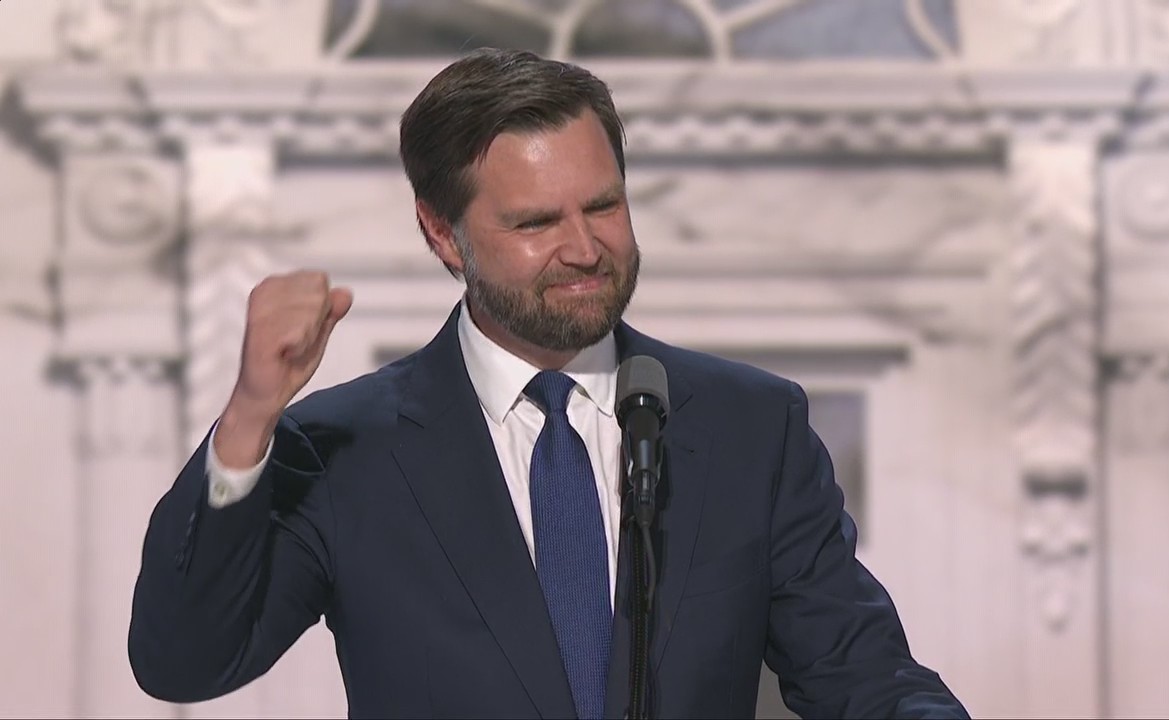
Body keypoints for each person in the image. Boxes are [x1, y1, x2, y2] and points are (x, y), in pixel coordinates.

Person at [128, 47, 969, 720]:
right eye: (534, 222)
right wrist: (248, 417)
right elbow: (187, 660)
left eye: (602, 206)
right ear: (442, 234)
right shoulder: (347, 449)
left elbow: (863, 679)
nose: (583, 248)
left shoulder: (752, 426)